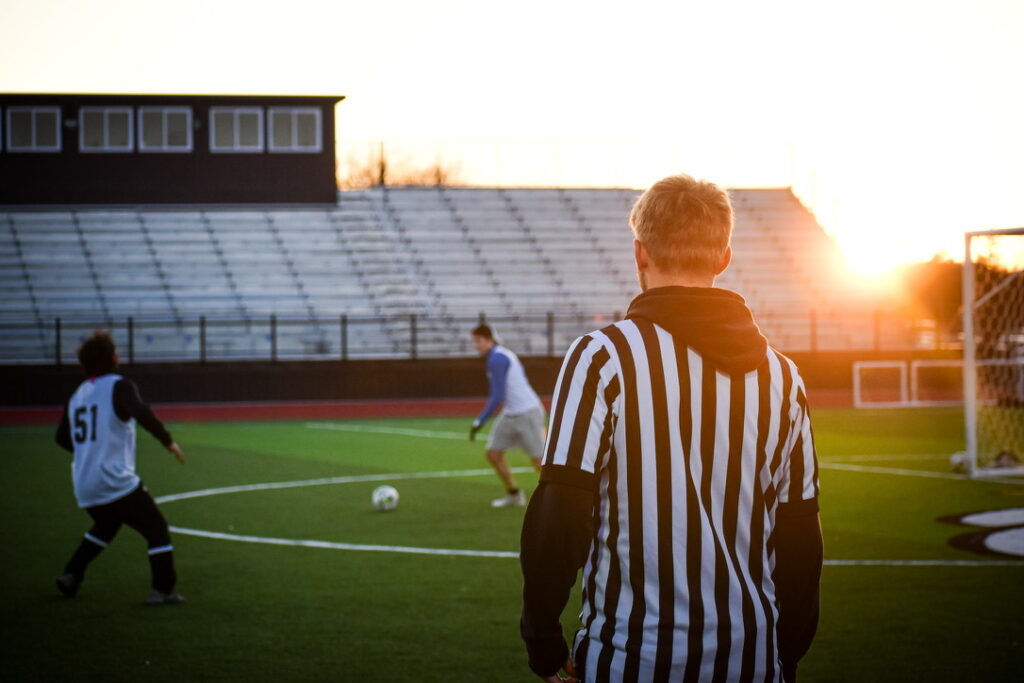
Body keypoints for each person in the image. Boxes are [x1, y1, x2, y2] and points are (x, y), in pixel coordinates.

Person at [520, 175, 823, 682]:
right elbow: (800, 534)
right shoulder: (783, 375)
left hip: (630, 658)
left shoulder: (602, 358)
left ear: (640, 253)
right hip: (753, 658)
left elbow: (561, 509)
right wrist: (785, 653)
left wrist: (542, 637)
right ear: (724, 257)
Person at [55, 330, 187, 605]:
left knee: (106, 525)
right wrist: (168, 441)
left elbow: (61, 438)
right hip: (113, 480)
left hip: (84, 482)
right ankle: (163, 590)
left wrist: (90, 451)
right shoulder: (120, 385)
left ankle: (71, 574)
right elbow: (141, 412)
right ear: (112, 357)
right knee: (157, 529)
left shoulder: (78, 393)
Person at [470, 324, 547, 507]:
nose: (476, 345)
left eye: (478, 341)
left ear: (489, 340)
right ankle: (514, 495)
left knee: (539, 461)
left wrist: (480, 420)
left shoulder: (497, 358)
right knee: (493, 453)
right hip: (511, 413)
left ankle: (561, 500)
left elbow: (497, 396)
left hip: (527, 413)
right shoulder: (498, 356)